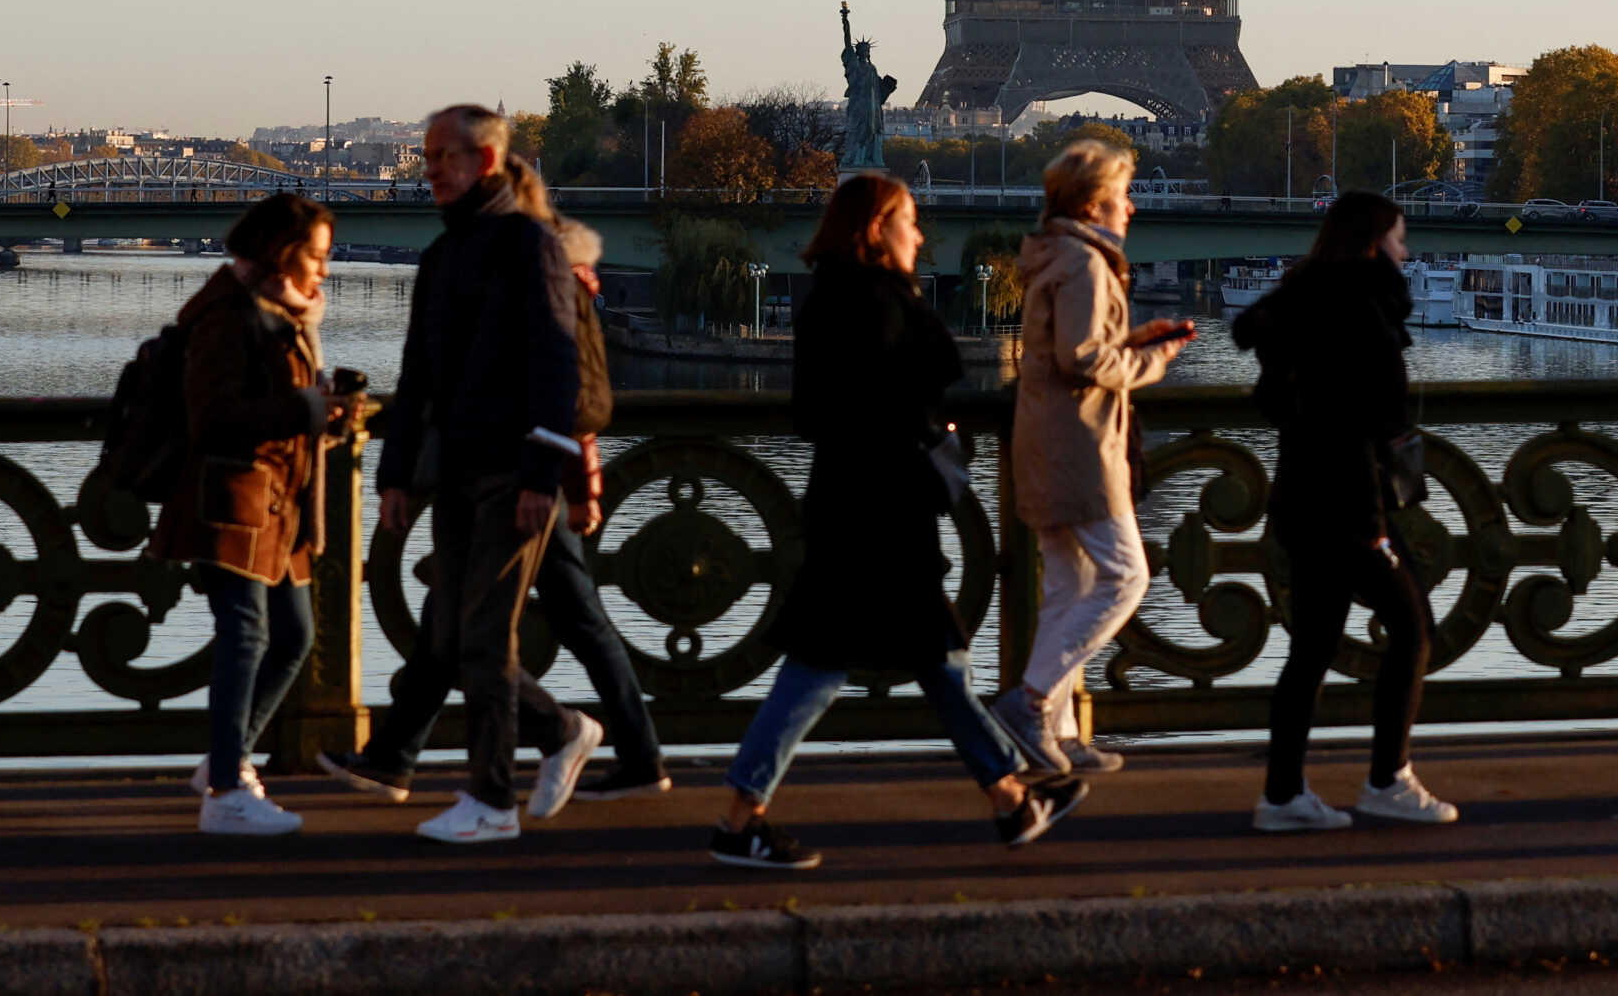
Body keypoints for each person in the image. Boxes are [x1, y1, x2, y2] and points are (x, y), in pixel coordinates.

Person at [710, 174, 1085, 871]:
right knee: (895, 660)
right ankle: (742, 819)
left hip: (850, 505)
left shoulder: (827, 295)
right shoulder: (879, 299)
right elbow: (937, 362)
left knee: (894, 660)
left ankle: (1011, 798)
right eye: (910, 222)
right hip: (884, 512)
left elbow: (814, 412)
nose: (920, 235)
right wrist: (913, 296)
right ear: (879, 226)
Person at [318, 216, 670, 814]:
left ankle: (556, 747)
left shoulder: (552, 289)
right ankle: (399, 755)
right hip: (521, 480)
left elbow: (571, 400)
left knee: (471, 629)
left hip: (528, 483)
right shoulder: (539, 283)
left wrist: (581, 490)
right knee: (483, 625)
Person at [358, 104, 583, 844]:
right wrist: (394, 477)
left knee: (485, 640)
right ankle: (562, 731)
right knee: (453, 640)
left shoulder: (531, 245)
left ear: (484, 162)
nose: (427, 171)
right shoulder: (442, 255)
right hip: (454, 472)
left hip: (512, 472)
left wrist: (542, 475)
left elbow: (558, 366)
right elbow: (416, 377)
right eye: (425, 157)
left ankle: (491, 802)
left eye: (441, 157)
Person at [1230, 190, 1457, 832]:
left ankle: (1282, 793)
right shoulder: (1361, 309)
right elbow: (1373, 423)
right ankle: (1388, 777)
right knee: (1413, 628)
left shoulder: (1300, 301)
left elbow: (1278, 403)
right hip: (1352, 504)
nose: (1406, 252)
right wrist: (1377, 522)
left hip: (1300, 496)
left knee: (1312, 650)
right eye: (1400, 239)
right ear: (1374, 240)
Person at [148, 192, 364, 836]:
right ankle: (224, 789)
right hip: (232, 502)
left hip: (277, 504)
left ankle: (227, 758)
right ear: (283, 253)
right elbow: (211, 418)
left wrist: (316, 414)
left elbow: (273, 405)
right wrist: (306, 410)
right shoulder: (228, 314)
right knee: (247, 638)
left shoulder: (279, 311)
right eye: (318, 257)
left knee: (293, 637)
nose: (325, 270)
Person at [991, 140, 1193, 774]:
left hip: (1045, 436)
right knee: (1126, 577)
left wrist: (1133, 339)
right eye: (1123, 196)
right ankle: (1029, 702)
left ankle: (1058, 732)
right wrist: (1152, 361)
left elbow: (1069, 348)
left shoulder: (1057, 254)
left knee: (1067, 588)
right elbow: (1082, 360)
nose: (1132, 207)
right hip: (1079, 444)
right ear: (1094, 203)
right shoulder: (1085, 263)